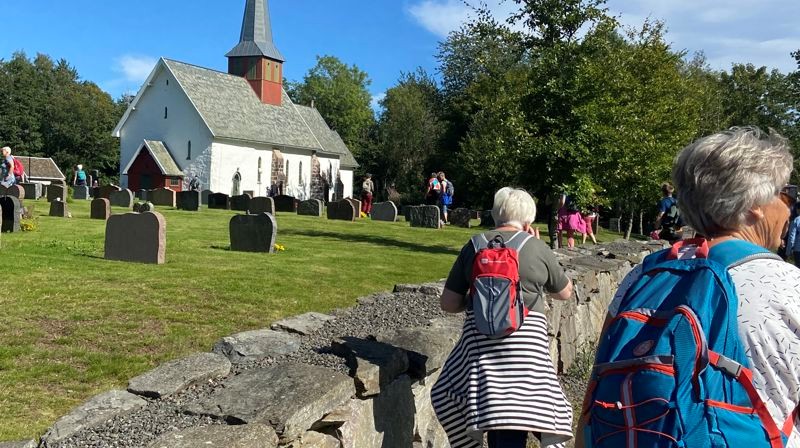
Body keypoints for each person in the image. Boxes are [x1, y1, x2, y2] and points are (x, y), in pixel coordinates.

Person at [578, 127, 800, 447]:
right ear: (755, 204)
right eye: (787, 193)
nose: (791, 206)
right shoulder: (789, 287)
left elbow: (590, 406)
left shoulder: (643, 278)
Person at [432, 187, 575, 448]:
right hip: (526, 349)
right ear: (528, 221)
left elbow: (449, 303)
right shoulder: (536, 247)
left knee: (446, 391)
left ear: (496, 215)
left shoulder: (474, 246)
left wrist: (474, 301)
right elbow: (565, 293)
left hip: (483, 351)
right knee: (539, 398)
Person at [786, 202, 800, 267]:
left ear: (798, 209)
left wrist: (788, 252)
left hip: (798, 249)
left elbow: (792, 236)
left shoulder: (796, 220)